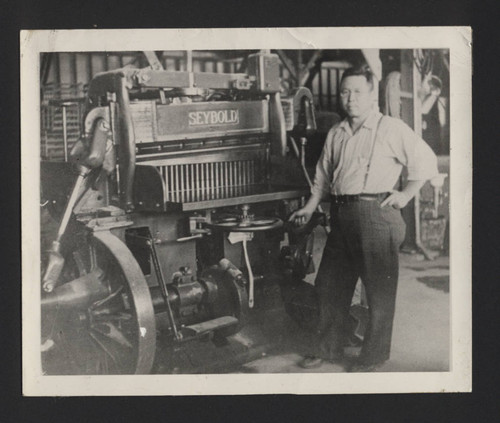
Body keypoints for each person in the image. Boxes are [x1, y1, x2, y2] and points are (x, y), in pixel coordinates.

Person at [289, 65, 438, 372]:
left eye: (358, 92)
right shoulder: (337, 132)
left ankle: (373, 355)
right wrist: (311, 204)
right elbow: (322, 176)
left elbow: (426, 161)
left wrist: (407, 194)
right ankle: (328, 348)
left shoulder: (391, 129)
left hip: (376, 213)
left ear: (372, 96)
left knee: (379, 290)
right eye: (345, 92)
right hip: (342, 214)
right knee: (330, 285)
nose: (350, 98)